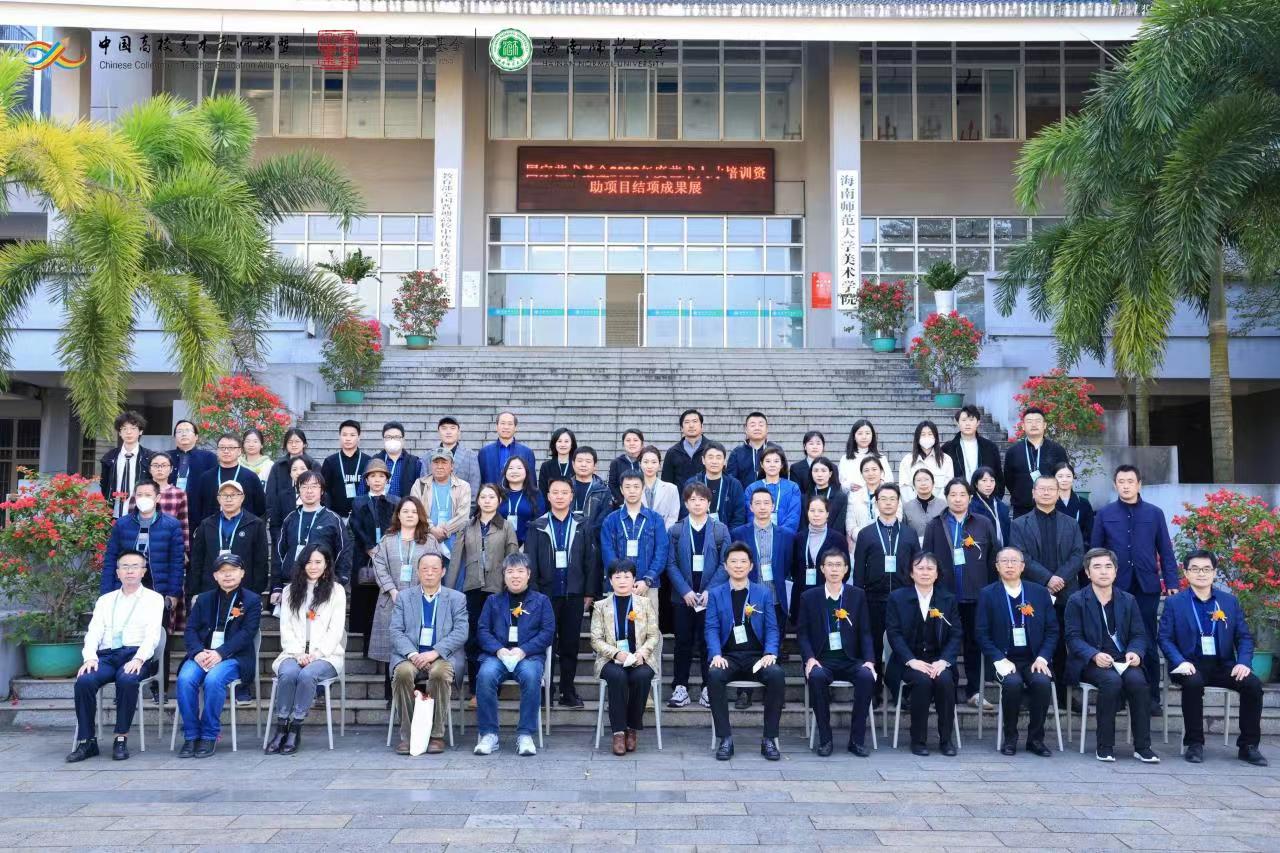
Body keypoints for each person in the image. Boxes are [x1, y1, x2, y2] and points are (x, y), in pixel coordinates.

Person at [1158, 550, 1267, 766]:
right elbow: (1165, 638)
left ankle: (1248, 746)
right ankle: (1195, 743)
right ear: (1186, 573)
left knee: (1253, 685)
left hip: (1222, 665)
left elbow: (1244, 637)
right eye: (1195, 569)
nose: (1201, 573)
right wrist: (1179, 661)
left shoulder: (1229, 602)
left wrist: (1243, 663)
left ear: (1214, 572)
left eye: (1207, 569)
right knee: (1193, 682)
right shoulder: (1175, 603)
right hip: (1189, 664)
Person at [1091, 464, 1178, 713]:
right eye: (1121, 481)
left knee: (1147, 639)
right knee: (1114, 639)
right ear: (1115, 485)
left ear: (1139, 484)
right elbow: (1095, 551)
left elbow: (1165, 549)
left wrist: (1171, 582)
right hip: (1114, 587)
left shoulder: (1154, 513)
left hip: (1146, 586)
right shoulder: (1105, 514)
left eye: (1130, 481)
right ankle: (1118, 695)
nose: (1126, 486)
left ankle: (1151, 698)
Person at [66, 550, 166, 763]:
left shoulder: (154, 599)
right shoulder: (105, 600)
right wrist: (89, 657)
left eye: (135, 566)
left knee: (127, 680)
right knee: (84, 681)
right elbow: (93, 632)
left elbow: (152, 636)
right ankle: (87, 741)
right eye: (125, 567)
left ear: (143, 571)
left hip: (135, 654)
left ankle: (121, 738)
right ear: (118, 572)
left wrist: (139, 659)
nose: (130, 571)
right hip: (107, 656)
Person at [1064, 547, 1159, 763]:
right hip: (1091, 662)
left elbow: (1139, 634)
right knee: (1111, 681)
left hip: (1122, 659)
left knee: (1138, 681)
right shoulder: (1076, 600)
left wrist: (1135, 652)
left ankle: (1143, 746)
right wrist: (1094, 654)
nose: (1103, 571)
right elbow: (1073, 638)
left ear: (1116, 571)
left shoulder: (1128, 600)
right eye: (1097, 567)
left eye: (1108, 566)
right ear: (1087, 572)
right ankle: (1105, 745)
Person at [176, 554, 262, 758]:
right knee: (185, 679)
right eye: (223, 571)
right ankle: (191, 735)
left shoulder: (252, 600)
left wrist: (221, 653)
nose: (228, 575)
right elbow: (190, 630)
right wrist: (197, 652)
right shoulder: (204, 599)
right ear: (215, 575)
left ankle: (209, 735)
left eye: (232, 570)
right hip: (203, 654)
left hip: (233, 657)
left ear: (242, 573)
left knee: (214, 680)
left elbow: (247, 633)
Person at [705, 542, 785, 761]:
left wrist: (770, 653)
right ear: (725, 566)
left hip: (756, 658)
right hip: (728, 657)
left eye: (743, 561)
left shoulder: (763, 593)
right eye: (733, 561)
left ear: (751, 566)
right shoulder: (716, 594)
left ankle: (769, 739)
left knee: (776, 674)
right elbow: (711, 628)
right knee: (714, 675)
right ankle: (725, 739)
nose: (738, 565)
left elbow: (772, 628)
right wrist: (716, 655)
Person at [976, 546, 1058, 757]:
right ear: (997, 566)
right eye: (1004, 561)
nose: (1009, 565)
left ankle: (1035, 739)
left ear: (1023, 566)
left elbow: (1052, 630)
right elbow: (981, 634)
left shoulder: (1039, 592)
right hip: (1003, 659)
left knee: (1042, 682)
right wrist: (998, 659)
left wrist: (1043, 657)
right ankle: (1010, 737)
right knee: (1012, 684)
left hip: (1034, 658)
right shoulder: (988, 594)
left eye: (1014, 561)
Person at [265, 544, 347, 755]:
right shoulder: (289, 591)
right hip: (293, 653)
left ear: (327, 564)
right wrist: (298, 653)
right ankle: (281, 725)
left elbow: (336, 630)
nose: (313, 566)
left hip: (327, 655)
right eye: (309, 562)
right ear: (302, 564)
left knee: (307, 674)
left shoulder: (336, 591)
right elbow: (286, 627)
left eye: (318, 562)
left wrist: (316, 654)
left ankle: (296, 726)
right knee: (288, 673)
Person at [923, 478, 997, 710]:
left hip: (976, 595)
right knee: (945, 643)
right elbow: (927, 560)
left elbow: (992, 559)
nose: (957, 499)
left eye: (962, 494)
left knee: (974, 643)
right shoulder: (935, 525)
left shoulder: (983, 523)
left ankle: (974, 691)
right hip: (944, 596)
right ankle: (947, 690)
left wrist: (990, 591)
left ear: (970, 497)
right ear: (946, 497)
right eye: (953, 494)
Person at [528, 478, 600, 709]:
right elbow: (531, 562)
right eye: (555, 492)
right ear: (548, 496)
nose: (559, 496)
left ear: (571, 496)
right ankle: (544, 690)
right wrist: (534, 594)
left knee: (570, 645)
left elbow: (591, 561)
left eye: (564, 492)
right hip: (545, 595)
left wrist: (589, 592)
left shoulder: (582, 524)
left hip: (574, 594)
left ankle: (567, 690)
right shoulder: (537, 525)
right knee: (544, 643)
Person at [1011, 475, 1084, 703]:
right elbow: (1021, 556)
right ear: (1033, 493)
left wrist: (1059, 579)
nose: (1046, 493)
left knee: (1063, 644)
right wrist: (1047, 579)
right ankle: (1031, 692)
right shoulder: (1019, 524)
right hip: (1033, 591)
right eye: (1041, 489)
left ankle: (1064, 695)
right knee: (1033, 642)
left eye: (1051, 489)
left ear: (1058, 493)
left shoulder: (1071, 523)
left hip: (1065, 592)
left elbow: (1078, 555)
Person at [474, 554, 555, 756]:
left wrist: (524, 649)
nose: (515, 576)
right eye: (510, 572)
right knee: (485, 675)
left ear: (528, 574)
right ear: (504, 575)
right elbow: (482, 630)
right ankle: (489, 734)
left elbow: (547, 632)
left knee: (531, 675)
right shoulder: (493, 601)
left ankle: (525, 734)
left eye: (520, 571)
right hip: (497, 656)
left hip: (528, 656)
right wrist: (498, 650)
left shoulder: (541, 601)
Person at [798, 548, 876, 756]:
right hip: (822, 660)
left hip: (851, 659)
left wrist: (869, 660)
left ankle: (856, 740)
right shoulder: (809, 597)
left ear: (846, 569)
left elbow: (866, 632)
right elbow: (803, 634)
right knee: (816, 677)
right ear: (822, 569)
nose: (834, 570)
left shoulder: (857, 595)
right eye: (830, 565)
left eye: (838, 565)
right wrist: (810, 658)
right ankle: (825, 739)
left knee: (866, 676)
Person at [389, 552, 468, 755]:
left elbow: (461, 632)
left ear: (443, 571)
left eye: (435, 569)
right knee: (402, 673)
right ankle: (408, 736)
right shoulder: (404, 597)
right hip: (410, 655)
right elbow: (395, 631)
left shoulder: (456, 598)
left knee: (439, 674)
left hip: (443, 656)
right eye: (425, 569)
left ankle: (436, 735)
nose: (430, 573)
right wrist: (413, 654)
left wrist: (435, 652)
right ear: (418, 572)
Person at [447, 484, 520, 699]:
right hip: (473, 589)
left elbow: (513, 560)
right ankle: (474, 690)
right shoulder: (467, 526)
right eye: (483, 497)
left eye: (492, 497)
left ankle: (493, 688)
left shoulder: (506, 526)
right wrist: (448, 590)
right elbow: (455, 560)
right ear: (477, 500)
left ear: (499, 501)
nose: (487, 501)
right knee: (473, 638)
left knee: (497, 636)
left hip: (498, 590)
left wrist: (513, 590)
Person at [885, 553, 961, 757]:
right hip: (908, 661)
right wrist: (911, 660)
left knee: (945, 681)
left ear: (937, 574)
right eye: (920, 568)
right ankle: (918, 740)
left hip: (938, 661)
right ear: (911, 573)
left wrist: (944, 661)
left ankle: (946, 740)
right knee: (922, 682)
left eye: (930, 568)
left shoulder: (948, 599)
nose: (925, 572)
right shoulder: (897, 598)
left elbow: (956, 635)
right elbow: (894, 634)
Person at [852, 483, 921, 706]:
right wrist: (859, 599)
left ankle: (903, 690)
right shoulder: (866, 534)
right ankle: (873, 689)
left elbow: (917, 567)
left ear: (898, 502)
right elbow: (859, 570)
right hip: (873, 598)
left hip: (904, 599)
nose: (888, 503)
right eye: (883, 499)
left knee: (904, 644)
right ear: (876, 503)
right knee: (873, 645)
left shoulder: (909, 533)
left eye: (892, 499)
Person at [369, 496, 442, 704]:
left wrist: (421, 591)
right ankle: (392, 695)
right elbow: (379, 566)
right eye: (405, 511)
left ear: (420, 516)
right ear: (398, 515)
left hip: (421, 600)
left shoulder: (429, 540)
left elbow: (433, 568)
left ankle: (418, 695)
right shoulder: (388, 539)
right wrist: (392, 590)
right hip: (391, 600)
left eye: (414, 512)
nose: (410, 515)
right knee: (392, 647)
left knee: (418, 645)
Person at [665, 482, 731, 709]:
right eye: (692, 499)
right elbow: (670, 564)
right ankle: (680, 687)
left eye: (701, 499)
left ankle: (708, 687)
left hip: (710, 598)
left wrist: (709, 591)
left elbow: (725, 563)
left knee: (707, 642)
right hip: (682, 597)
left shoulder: (720, 530)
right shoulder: (676, 530)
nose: (697, 503)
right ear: (685, 503)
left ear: (709, 503)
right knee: (682, 642)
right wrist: (685, 591)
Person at [591, 559, 660, 755]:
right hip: (610, 659)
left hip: (639, 658)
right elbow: (596, 639)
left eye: (627, 577)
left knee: (642, 676)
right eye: (617, 577)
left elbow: (653, 635)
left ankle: (632, 728)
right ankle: (619, 733)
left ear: (634, 580)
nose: (622, 581)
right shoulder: (600, 606)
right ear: (610, 580)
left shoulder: (644, 603)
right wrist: (617, 654)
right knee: (618, 676)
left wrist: (642, 653)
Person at [732, 488, 796, 648]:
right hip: (748, 597)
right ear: (751, 507)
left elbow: (789, 564)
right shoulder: (738, 534)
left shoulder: (787, 535)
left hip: (776, 597)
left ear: (773, 506)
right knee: (750, 645)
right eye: (757, 503)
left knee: (775, 644)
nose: (762, 507)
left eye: (766, 503)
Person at [103, 480, 185, 605]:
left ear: (157, 498)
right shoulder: (122, 524)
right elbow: (111, 559)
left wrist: (173, 593)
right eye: (139, 495)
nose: (143, 498)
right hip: (125, 586)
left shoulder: (172, 525)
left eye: (148, 495)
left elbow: (176, 562)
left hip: (158, 587)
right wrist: (107, 592)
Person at [600, 471, 669, 616]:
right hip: (618, 587)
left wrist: (647, 580)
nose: (632, 491)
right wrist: (623, 580)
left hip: (648, 587)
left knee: (648, 628)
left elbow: (661, 552)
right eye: (627, 487)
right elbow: (608, 553)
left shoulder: (655, 519)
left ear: (643, 488)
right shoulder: (610, 520)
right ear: (621, 490)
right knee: (617, 627)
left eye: (636, 487)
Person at [273, 471, 352, 598]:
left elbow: (344, 551)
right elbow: (279, 553)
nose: (309, 491)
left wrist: (339, 580)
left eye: (314, 486)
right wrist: (277, 586)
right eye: (304, 487)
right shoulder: (290, 518)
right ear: (299, 491)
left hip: (324, 585)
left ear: (322, 491)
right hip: (291, 584)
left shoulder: (333, 519)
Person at [188, 480, 269, 599]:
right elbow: (197, 560)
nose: (228, 499)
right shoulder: (206, 524)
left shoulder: (255, 524)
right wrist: (196, 591)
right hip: (210, 590)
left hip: (244, 591)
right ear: (218, 499)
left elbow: (261, 562)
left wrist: (255, 593)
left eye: (233, 495)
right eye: (224, 495)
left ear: (242, 498)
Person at [348, 459, 395, 656]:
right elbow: (356, 526)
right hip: (364, 557)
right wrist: (369, 547)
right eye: (372, 476)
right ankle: (367, 647)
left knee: (384, 602)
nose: (377, 480)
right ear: (366, 480)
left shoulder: (394, 501)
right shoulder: (358, 502)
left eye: (381, 476)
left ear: (387, 479)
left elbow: (396, 526)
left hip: (389, 556)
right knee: (366, 603)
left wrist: (383, 549)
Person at [1003, 407, 1069, 517]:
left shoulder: (1057, 450)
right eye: (1029, 421)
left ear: (1044, 425)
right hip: (1022, 509)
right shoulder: (1013, 451)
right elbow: (1009, 479)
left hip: (1051, 508)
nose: (1034, 425)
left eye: (1038, 421)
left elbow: (1063, 477)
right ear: (1023, 426)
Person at [410, 448, 472, 564]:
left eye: (444, 462)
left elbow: (463, 516)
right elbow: (415, 511)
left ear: (452, 466)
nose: (439, 466)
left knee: (453, 574)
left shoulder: (463, 486)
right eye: (436, 462)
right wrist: (432, 529)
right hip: (426, 540)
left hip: (453, 542)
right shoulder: (420, 485)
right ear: (430, 465)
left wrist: (444, 531)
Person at [191, 432, 267, 525]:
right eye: (222, 447)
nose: (226, 451)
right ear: (217, 451)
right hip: (212, 529)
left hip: (243, 529)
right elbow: (197, 508)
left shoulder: (251, 477)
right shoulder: (206, 477)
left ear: (239, 451)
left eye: (231, 448)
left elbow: (260, 509)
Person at [791, 494, 849, 616]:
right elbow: (794, 569)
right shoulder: (799, 538)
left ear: (827, 514)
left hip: (829, 596)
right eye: (812, 510)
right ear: (807, 513)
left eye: (821, 511)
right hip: (802, 597)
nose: (816, 514)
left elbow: (845, 571)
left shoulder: (838, 539)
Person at [100, 411, 158, 518]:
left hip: (141, 513)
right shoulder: (110, 457)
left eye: (133, 428)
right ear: (119, 433)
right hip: (112, 513)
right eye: (124, 429)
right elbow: (104, 485)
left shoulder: (150, 457)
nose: (128, 432)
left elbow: (155, 485)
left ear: (140, 431)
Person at [266, 429, 321, 540]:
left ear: (304, 444)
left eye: (297, 441)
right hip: (283, 514)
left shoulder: (313, 465)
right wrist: (272, 514)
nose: (294, 445)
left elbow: (321, 491)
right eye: (290, 442)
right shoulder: (278, 466)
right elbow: (271, 492)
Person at [942, 405, 1004, 498]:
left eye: (971, 420)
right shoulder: (948, 448)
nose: (967, 424)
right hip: (958, 499)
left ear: (978, 422)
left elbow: (998, 476)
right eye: (964, 420)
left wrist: (995, 499)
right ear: (957, 423)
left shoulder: (990, 447)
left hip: (985, 499)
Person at [681, 440, 744, 529]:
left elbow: (739, 516)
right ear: (703, 460)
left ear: (724, 461)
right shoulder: (692, 483)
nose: (714, 461)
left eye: (718, 457)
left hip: (728, 534)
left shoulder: (734, 484)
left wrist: (727, 535)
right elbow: (685, 512)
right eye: (710, 457)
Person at [137, 452, 190, 554]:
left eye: (164, 465)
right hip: (143, 542)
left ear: (171, 469)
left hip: (169, 542)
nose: (159, 469)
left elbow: (183, 523)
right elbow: (131, 519)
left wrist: (184, 549)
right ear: (150, 469)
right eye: (155, 465)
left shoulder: (179, 493)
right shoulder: (140, 491)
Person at [743, 447, 802, 534]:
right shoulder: (751, 488)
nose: (772, 465)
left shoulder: (793, 488)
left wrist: (781, 535)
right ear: (762, 464)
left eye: (776, 461)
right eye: (768, 461)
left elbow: (793, 517)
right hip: (759, 535)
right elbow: (751, 516)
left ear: (782, 464)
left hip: (785, 536)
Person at [320, 419, 371, 519]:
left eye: (352, 435)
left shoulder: (368, 461)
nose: (348, 439)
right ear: (339, 437)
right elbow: (324, 490)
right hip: (336, 516)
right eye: (344, 435)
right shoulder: (330, 462)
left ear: (359, 437)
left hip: (363, 516)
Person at [898, 420, 954, 501]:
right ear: (917, 438)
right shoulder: (907, 460)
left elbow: (948, 486)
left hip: (940, 506)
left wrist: (938, 505)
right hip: (914, 507)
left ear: (935, 437)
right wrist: (914, 505)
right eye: (923, 434)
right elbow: (905, 488)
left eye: (930, 434)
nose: (926, 437)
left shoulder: (946, 460)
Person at [845, 455, 899, 539]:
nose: (870, 473)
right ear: (861, 474)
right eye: (866, 470)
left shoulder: (892, 493)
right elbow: (850, 524)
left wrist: (880, 537)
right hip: (861, 541)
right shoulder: (854, 496)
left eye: (874, 469)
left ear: (881, 471)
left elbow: (898, 518)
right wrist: (864, 537)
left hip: (887, 541)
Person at [477, 411, 537, 486]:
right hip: (492, 493)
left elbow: (532, 482)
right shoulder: (484, 452)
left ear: (515, 428)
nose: (506, 427)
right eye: (503, 423)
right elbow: (480, 481)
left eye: (510, 424)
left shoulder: (527, 452)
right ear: (496, 426)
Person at [374, 421, 426, 500]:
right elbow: (363, 489)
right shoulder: (374, 461)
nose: (392, 440)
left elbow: (422, 490)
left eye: (397, 437)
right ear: (383, 439)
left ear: (403, 439)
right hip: (378, 506)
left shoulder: (415, 462)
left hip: (405, 506)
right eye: (388, 437)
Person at [498, 456, 542, 547]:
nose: (514, 471)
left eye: (519, 468)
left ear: (526, 471)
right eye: (510, 468)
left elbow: (539, 519)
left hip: (528, 544)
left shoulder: (535, 494)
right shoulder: (498, 493)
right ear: (505, 472)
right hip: (500, 544)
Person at [727, 411, 778, 490]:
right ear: (746, 429)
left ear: (767, 429)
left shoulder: (776, 450)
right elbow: (731, 481)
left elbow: (783, 477)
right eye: (753, 425)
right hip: (744, 496)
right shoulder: (737, 453)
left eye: (761, 425)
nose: (757, 428)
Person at [168, 418, 216, 499]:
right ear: (175, 437)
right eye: (179, 431)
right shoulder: (166, 456)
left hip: (198, 502)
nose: (183, 434)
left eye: (187, 431)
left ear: (196, 436)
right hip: (170, 501)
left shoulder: (209, 457)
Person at [437, 417, 481, 503]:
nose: (448, 432)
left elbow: (474, 487)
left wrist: (468, 509)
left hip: (463, 508)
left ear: (458, 432)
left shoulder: (470, 456)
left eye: (452, 428)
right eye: (444, 428)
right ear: (439, 432)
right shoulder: (428, 457)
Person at [661, 409, 708, 489]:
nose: (691, 425)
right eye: (687, 422)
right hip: (680, 496)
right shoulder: (672, 452)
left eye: (695, 421)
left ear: (702, 426)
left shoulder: (711, 449)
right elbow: (666, 482)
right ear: (681, 428)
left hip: (706, 496)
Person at [568, 446, 611, 529]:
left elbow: (604, 519)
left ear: (595, 466)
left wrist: (588, 533)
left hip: (594, 535)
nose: (583, 465)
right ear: (573, 464)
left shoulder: (603, 490)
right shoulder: (565, 487)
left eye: (588, 461)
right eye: (580, 461)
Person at [969, 466, 1012, 547]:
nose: (989, 485)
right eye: (984, 480)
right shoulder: (971, 506)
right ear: (976, 484)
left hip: (1004, 549)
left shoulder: (1000, 505)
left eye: (992, 480)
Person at [805, 457, 848, 536]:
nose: (819, 474)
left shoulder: (841, 497)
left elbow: (839, 526)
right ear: (811, 473)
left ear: (830, 474)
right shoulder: (804, 497)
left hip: (833, 540)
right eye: (816, 471)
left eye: (823, 471)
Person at [837, 418, 882, 495]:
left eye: (867, 433)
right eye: (860, 433)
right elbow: (840, 483)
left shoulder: (881, 458)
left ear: (872, 436)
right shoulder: (845, 459)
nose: (864, 437)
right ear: (854, 436)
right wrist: (849, 486)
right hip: (852, 499)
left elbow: (888, 480)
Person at [1054, 461, 1095, 545]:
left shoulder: (1083, 503)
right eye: (1060, 476)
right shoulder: (1048, 503)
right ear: (1054, 478)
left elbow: (1090, 531)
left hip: (1078, 548)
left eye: (1068, 476)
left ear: (1073, 477)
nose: (1064, 479)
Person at [639, 445, 680, 527]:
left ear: (659, 465)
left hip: (664, 532)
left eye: (654, 462)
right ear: (640, 464)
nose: (649, 466)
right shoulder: (633, 488)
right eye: (646, 462)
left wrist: (662, 533)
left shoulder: (671, 489)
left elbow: (673, 517)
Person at [902, 469, 944, 545]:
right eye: (919, 480)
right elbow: (904, 532)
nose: (923, 483)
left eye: (926, 480)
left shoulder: (944, 505)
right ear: (913, 485)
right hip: (915, 549)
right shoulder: (906, 507)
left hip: (940, 547)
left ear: (933, 483)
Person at [608, 428, 646, 506]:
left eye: (635, 440)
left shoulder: (646, 462)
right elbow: (612, 485)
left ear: (642, 444)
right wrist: (622, 502)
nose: (632, 443)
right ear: (623, 444)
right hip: (621, 506)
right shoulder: (616, 463)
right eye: (628, 440)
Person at [537, 427, 577, 499]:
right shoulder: (546, 466)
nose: (563, 444)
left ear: (572, 444)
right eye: (559, 441)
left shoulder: (577, 466)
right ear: (555, 444)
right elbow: (542, 492)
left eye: (566, 441)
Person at [789, 430, 827, 496]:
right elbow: (796, 493)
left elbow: (835, 491)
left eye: (818, 443)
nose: (815, 447)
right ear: (805, 446)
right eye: (811, 443)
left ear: (823, 446)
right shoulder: (796, 468)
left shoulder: (832, 467)